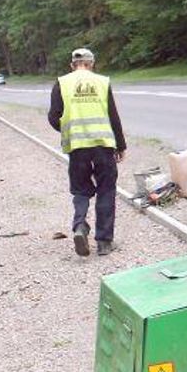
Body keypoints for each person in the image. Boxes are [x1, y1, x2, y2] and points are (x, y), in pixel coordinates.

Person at [48, 48, 126, 256]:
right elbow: (113, 116)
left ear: (72, 65)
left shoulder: (62, 83)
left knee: (81, 189)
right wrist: (121, 145)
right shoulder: (102, 82)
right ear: (92, 64)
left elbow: (53, 117)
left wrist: (69, 130)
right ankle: (104, 243)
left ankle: (80, 226)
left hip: (77, 148)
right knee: (106, 189)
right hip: (103, 145)